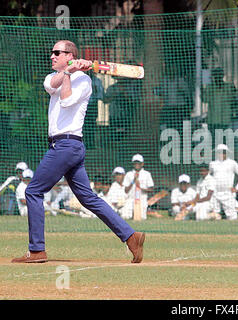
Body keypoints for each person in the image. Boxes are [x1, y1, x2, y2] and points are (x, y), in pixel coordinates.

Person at [12, 40, 145, 264]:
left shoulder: (84, 81)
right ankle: (132, 237)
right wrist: (68, 70)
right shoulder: (52, 76)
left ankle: (37, 251)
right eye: (52, 52)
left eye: (57, 53)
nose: (52, 56)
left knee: (33, 191)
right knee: (88, 198)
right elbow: (51, 85)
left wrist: (71, 73)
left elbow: (65, 101)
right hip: (66, 147)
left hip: (66, 145)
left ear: (70, 55)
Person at [209, 144, 238, 220]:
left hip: (228, 193)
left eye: (223, 152)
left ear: (227, 153)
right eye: (219, 152)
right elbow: (208, 177)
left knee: (232, 216)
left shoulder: (232, 163)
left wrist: (237, 188)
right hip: (215, 193)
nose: (221, 154)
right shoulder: (212, 164)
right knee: (215, 215)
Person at [203, 68, 236, 132]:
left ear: (222, 76)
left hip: (224, 120)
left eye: (219, 75)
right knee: (215, 140)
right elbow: (205, 99)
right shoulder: (209, 87)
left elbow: (232, 100)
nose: (217, 77)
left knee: (223, 140)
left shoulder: (228, 87)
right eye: (216, 75)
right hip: (213, 120)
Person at [123, 154, 154, 220]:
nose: (137, 165)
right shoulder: (129, 174)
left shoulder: (147, 174)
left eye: (138, 163)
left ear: (142, 164)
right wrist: (133, 181)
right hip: (130, 199)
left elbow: (151, 189)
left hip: (142, 199)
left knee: (142, 218)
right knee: (125, 217)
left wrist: (140, 187)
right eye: (135, 163)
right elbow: (126, 190)